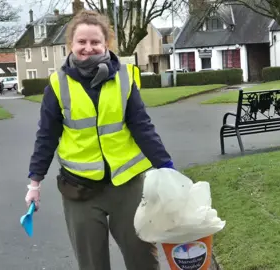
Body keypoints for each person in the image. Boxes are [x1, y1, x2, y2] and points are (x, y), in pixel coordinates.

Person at [25, 10, 174, 270]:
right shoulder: (57, 85)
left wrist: (167, 167)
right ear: (71, 44)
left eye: (95, 42)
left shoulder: (124, 77)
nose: (88, 48)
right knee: (92, 264)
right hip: (79, 189)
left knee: (142, 258)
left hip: (126, 185)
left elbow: (142, 127)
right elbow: (46, 136)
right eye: (81, 42)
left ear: (106, 44)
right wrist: (34, 182)